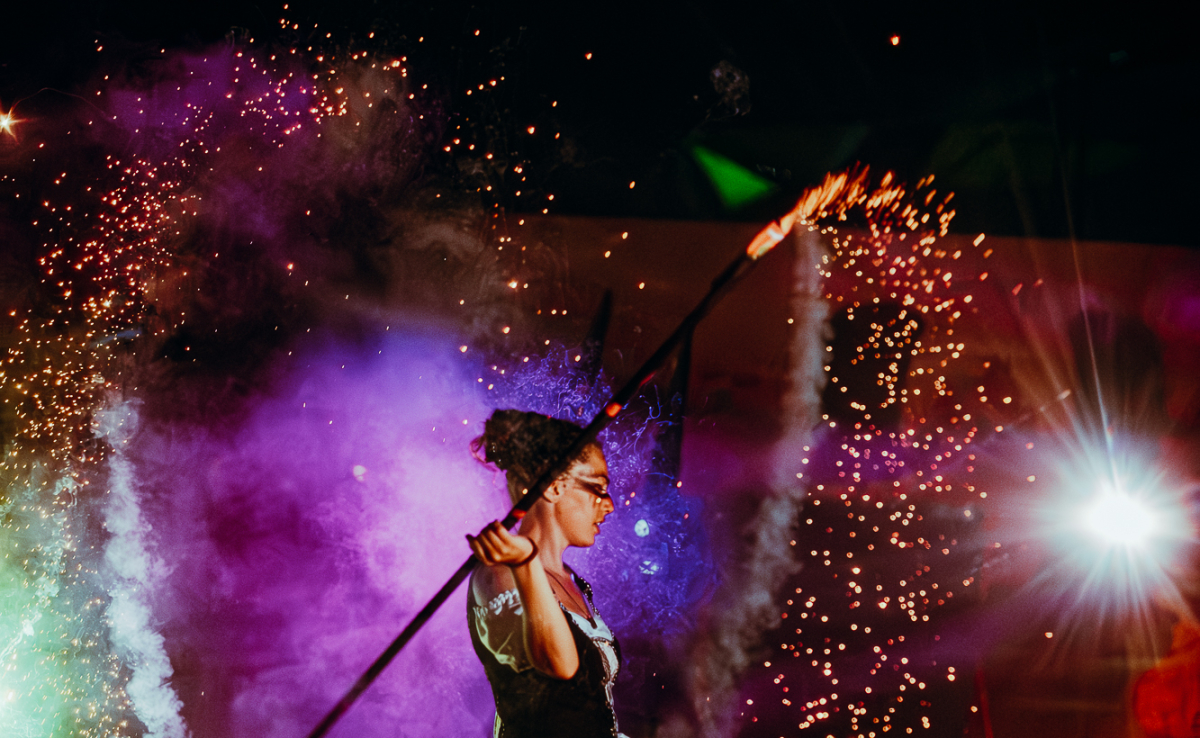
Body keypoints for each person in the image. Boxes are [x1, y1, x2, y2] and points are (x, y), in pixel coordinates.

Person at [466, 409, 626, 738]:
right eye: (598, 488)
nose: (609, 504)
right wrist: (525, 562)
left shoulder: (574, 582)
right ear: (554, 487)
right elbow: (560, 664)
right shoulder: (500, 574)